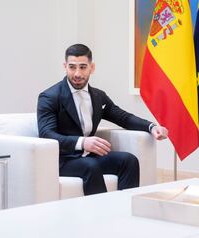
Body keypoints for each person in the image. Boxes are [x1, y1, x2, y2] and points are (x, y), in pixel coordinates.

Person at [37, 44, 168, 195]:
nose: (77, 73)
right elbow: (47, 134)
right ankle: (101, 215)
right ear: (65, 66)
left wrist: (151, 127)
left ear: (92, 68)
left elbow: (122, 117)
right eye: (72, 67)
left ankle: (125, 209)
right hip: (63, 160)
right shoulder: (49, 97)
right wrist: (82, 142)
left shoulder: (98, 96)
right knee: (90, 166)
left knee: (128, 160)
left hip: (88, 157)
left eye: (83, 67)